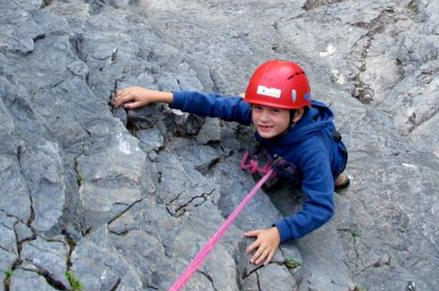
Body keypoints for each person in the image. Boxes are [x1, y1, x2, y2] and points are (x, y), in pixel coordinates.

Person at [112, 60, 349, 266]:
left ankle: (338, 178)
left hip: (319, 159)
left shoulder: (312, 151)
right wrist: (158, 96)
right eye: (257, 108)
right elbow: (215, 104)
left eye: (275, 111)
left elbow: (321, 207)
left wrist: (278, 232)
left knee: (327, 175)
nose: (263, 118)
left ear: (296, 114)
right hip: (287, 148)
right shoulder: (265, 116)